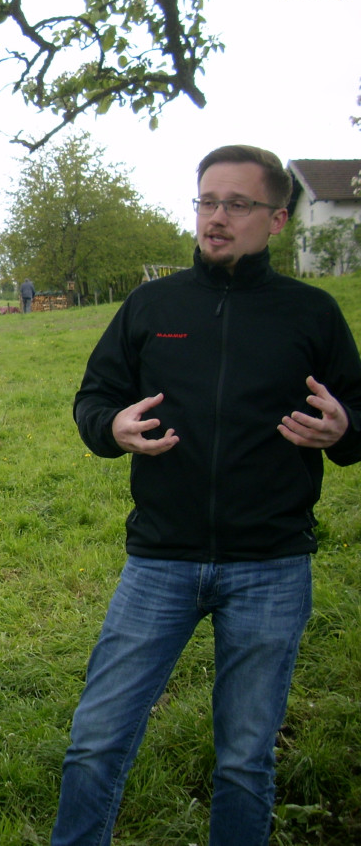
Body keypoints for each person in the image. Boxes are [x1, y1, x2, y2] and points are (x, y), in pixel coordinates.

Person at [52, 145, 361, 846]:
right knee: (96, 740)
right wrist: (112, 427)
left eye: (236, 204)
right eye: (205, 202)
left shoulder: (311, 314)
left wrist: (345, 428)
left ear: (278, 218)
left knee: (245, 761)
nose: (216, 218)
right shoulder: (153, 305)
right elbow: (95, 397)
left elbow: (356, 417)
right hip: (160, 559)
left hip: (272, 566)